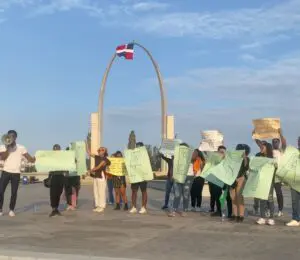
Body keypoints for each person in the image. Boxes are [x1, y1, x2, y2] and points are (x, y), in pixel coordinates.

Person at [0, 130, 35, 217]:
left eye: (12, 136)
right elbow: (3, 158)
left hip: (16, 173)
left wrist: (34, 158)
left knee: (14, 192)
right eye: (9, 136)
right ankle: (0, 209)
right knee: (1, 191)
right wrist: (8, 148)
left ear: (15, 137)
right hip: (5, 172)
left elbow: (30, 159)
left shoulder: (21, 148)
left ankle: (11, 210)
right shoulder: (2, 146)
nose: (10, 138)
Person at [255, 129, 286, 217]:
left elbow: (284, 143)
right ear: (271, 143)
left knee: (279, 193)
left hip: (278, 175)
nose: (275, 143)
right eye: (273, 141)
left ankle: (280, 209)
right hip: (268, 175)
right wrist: (256, 135)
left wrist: (281, 134)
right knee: (268, 194)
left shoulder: (281, 151)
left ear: (278, 143)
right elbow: (260, 144)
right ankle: (268, 209)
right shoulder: (269, 152)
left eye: (277, 141)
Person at [168, 145, 200, 217]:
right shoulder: (176, 155)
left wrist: (191, 153)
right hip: (177, 176)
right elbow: (172, 166)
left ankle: (184, 209)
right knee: (177, 194)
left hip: (188, 176)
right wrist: (171, 175)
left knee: (186, 194)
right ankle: (174, 209)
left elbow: (195, 157)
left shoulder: (191, 154)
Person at [254, 141, 276, 225]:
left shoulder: (272, 158)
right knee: (262, 199)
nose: (261, 147)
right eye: (260, 146)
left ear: (267, 147)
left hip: (269, 181)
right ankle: (262, 217)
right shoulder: (258, 156)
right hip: (260, 181)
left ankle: (271, 218)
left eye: (263, 146)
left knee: (270, 199)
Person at [87, 146, 111, 213]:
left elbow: (98, 167)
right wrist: (86, 144)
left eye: (102, 150)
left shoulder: (105, 159)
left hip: (101, 176)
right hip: (96, 176)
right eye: (99, 150)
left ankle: (102, 206)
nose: (100, 151)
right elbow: (89, 153)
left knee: (101, 191)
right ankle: (97, 205)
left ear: (105, 151)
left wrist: (90, 170)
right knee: (96, 191)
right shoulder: (97, 157)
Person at [230, 144, 250, 223]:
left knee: (239, 197)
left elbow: (246, 166)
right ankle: (235, 215)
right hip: (232, 179)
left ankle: (241, 215)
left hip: (241, 178)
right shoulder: (233, 158)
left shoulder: (246, 159)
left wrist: (244, 157)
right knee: (233, 198)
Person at [48, 144, 67, 217]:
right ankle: (53, 208)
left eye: (58, 149)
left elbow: (68, 163)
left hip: (61, 176)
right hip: (53, 176)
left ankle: (56, 208)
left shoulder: (63, 158)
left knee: (59, 192)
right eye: (55, 149)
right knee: (53, 194)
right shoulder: (51, 158)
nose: (56, 150)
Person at [130, 142, 148, 214]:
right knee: (134, 191)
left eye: (139, 147)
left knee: (143, 191)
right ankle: (134, 207)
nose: (138, 148)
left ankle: (144, 207)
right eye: (137, 147)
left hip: (143, 176)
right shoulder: (132, 155)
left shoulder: (145, 156)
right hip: (135, 176)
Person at [285, 136, 300, 227]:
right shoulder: (294, 152)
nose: (299, 143)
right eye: (299, 141)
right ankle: (295, 219)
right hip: (294, 180)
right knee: (295, 200)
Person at [209, 146, 226, 217]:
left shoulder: (227, 160)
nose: (221, 153)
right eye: (220, 152)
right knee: (216, 196)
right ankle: (218, 210)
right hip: (214, 179)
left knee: (222, 197)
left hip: (223, 180)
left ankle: (222, 211)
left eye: (223, 152)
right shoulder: (214, 160)